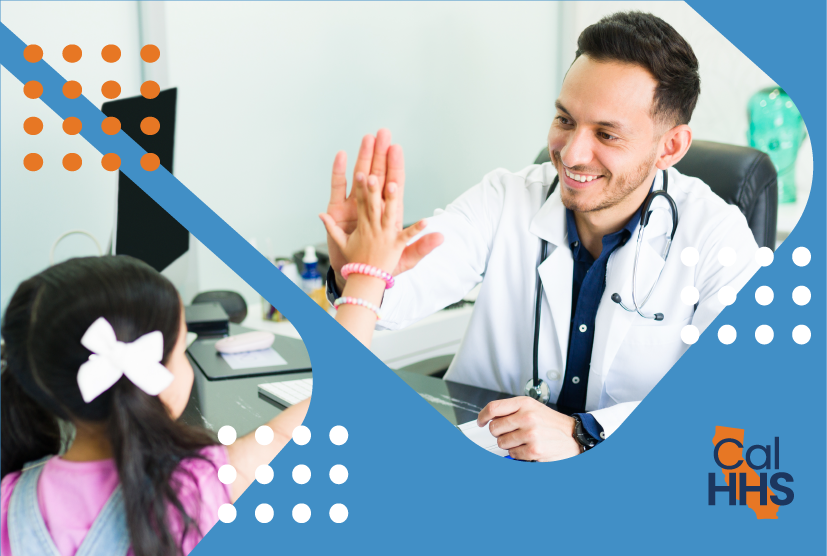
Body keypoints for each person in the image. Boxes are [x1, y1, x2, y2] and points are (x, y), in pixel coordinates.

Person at [321, 12, 761, 462]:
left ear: (670, 147)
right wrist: (360, 269)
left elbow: (738, 402)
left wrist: (587, 434)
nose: (571, 154)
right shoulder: (505, 197)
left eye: (606, 134)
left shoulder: (716, 237)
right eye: (565, 120)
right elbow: (400, 295)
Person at [0, 178, 423, 555]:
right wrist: (367, 274)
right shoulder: (193, 488)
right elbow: (334, 399)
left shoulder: (8, 502)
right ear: (154, 380)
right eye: (182, 349)